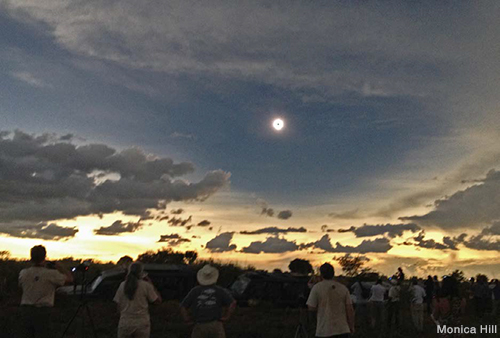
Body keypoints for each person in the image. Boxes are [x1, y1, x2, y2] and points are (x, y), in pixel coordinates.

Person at [18, 245, 73, 338]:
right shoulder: (51, 274)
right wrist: (60, 267)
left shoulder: (23, 273)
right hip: (43, 312)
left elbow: (21, 286)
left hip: (25, 311)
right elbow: (70, 279)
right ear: (45, 257)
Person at [181, 265, 236, 338]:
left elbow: (183, 306)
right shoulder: (220, 290)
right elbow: (232, 303)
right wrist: (226, 316)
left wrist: (187, 319)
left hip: (199, 325)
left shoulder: (195, 291)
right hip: (216, 325)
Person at [113, 262, 162, 338]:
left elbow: (117, 305)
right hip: (141, 324)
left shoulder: (122, 285)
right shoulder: (146, 286)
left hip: (125, 323)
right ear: (141, 272)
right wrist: (151, 285)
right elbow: (158, 301)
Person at [307, 263, 355, 338]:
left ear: (321, 274)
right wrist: (351, 326)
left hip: (324, 330)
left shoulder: (316, 288)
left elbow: (311, 308)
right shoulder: (343, 288)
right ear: (333, 273)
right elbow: (349, 309)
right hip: (342, 330)